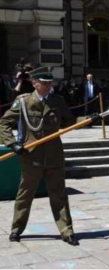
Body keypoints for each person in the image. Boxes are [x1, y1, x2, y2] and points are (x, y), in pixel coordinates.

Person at [0, 66, 79, 245]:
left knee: (59, 194)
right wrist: (12, 144)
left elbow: (69, 120)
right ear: (35, 83)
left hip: (54, 155)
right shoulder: (23, 101)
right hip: (31, 155)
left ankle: (67, 231)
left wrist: (86, 119)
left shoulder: (57, 101)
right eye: (44, 83)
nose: (48, 85)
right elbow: (4, 122)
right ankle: (16, 229)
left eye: (50, 82)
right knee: (25, 194)